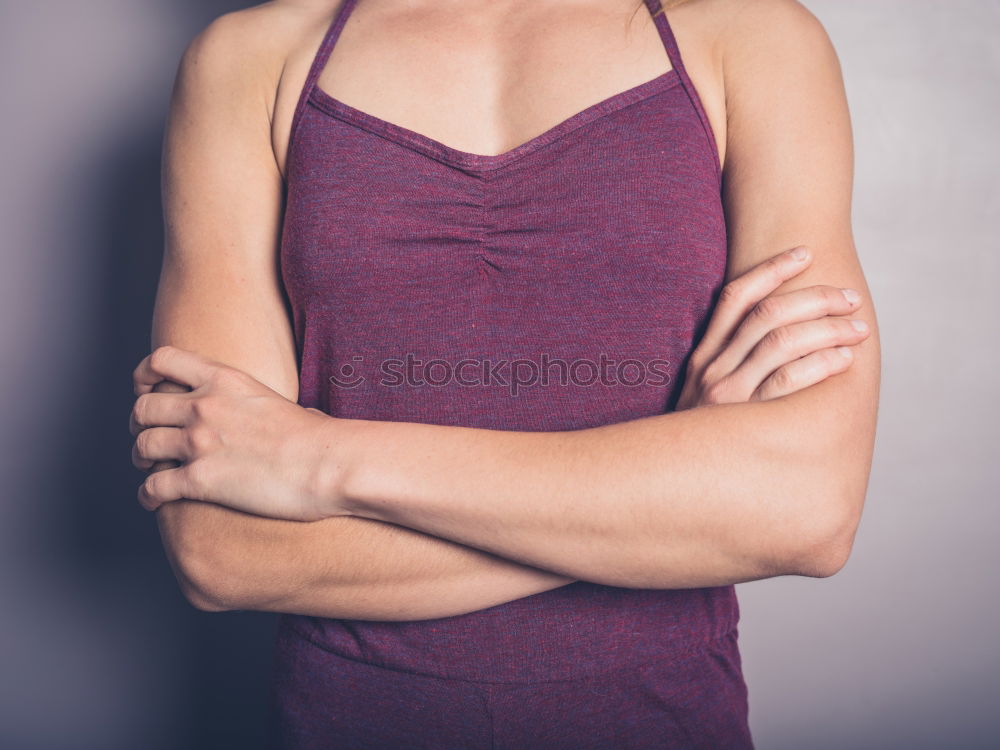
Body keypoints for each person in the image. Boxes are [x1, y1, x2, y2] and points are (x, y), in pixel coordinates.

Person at [130, 0, 880, 746]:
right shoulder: (247, 60)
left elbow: (806, 510)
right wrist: (675, 489)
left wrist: (321, 461)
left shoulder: (752, 36)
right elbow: (222, 550)